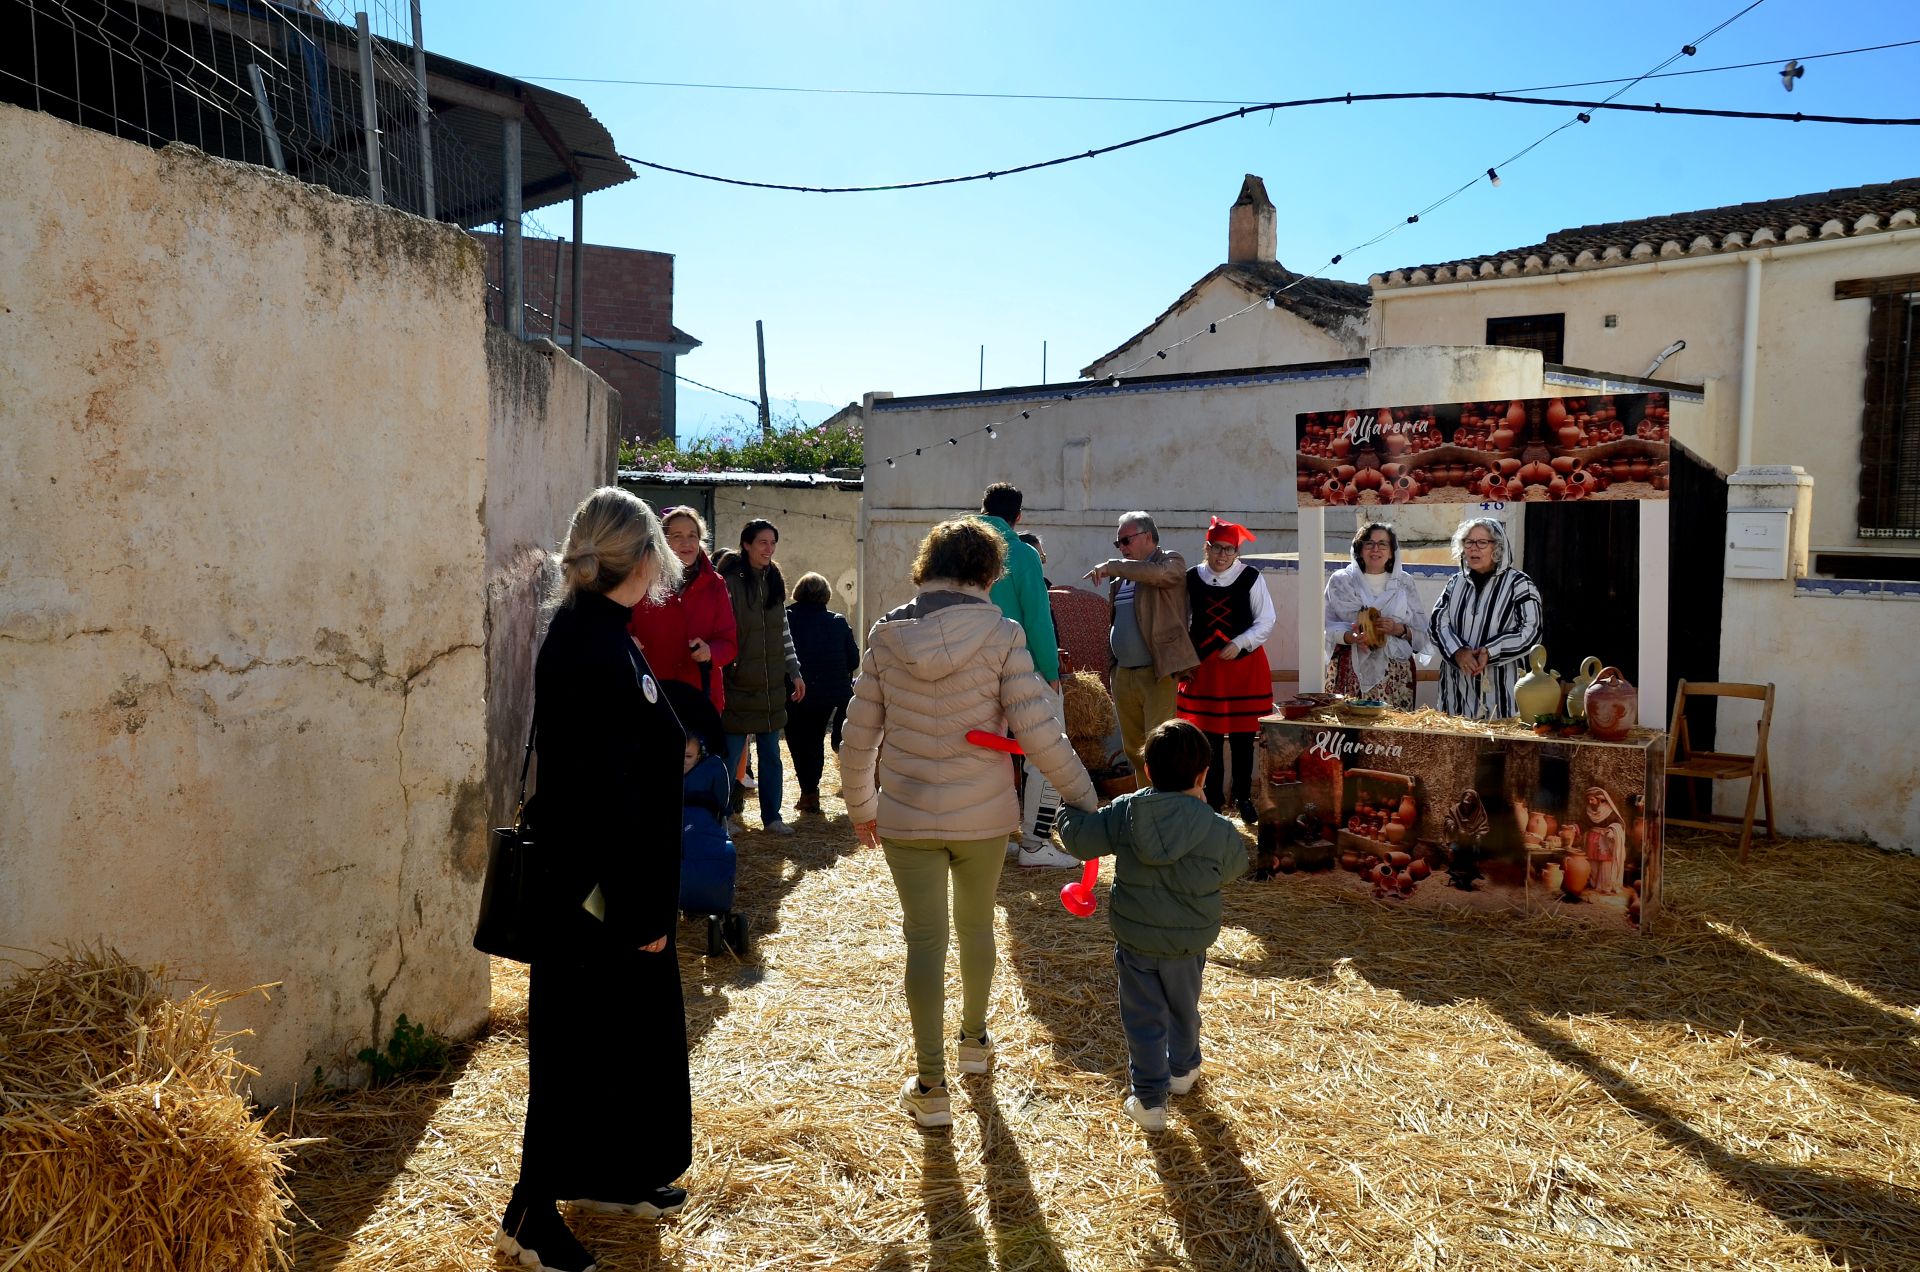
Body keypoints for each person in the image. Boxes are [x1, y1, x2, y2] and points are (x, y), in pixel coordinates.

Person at [841, 517, 1097, 1129]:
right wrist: (1087, 802)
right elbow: (1040, 733)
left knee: (924, 941)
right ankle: (975, 1045)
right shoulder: (1004, 635)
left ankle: (931, 1086)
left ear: (928, 566)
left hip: (905, 813)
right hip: (983, 814)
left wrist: (861, 807)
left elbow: (857, 737)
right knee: (976, 926)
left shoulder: (885, 635)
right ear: (989, 572)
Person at [496, 487, 690, 1272]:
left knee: (616, 1040)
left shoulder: (601, 630)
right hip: (592, 893)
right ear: (641, 557)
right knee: (574, 1055)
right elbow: (608, 796)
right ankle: (529, 1219)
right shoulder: (590, 642)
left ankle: (610, 1177)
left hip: (602, 885)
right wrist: (640, 905)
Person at [1055, 718, 1248, 1134]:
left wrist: (1066, 813)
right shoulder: (1216, 827)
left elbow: (1082, 841)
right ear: (1203, 775)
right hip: (1189, 944)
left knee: (1144, 1019)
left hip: (1137, 939)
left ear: (1146, 771)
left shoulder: (1128, 811)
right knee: (1183, 1007)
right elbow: (1235, 865)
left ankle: (1149, 1100)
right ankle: (1182, 1071)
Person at [1085, 511, 1199, 781]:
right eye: (1118, 544)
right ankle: (1144, 801)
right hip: (1124, 673)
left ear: (1148, 536)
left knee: (1158, 748)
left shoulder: (1171, 560)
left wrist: (1113, 565)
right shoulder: (1122, 574)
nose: (1122, 548)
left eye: (1125, 540)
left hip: (1156, 672)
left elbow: (1159, 575)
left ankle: (1164, 803)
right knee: (1134, 750)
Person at [1176, 517, 1276, 824]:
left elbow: (1266, 620)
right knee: (1209, 739)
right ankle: (1213, 801)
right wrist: (1183, 661)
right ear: (1206, 548)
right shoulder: (1191, 577)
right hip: (1206, 670)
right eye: (1218, 548)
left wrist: (1241, 642)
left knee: (1245, 738)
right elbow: (1181, 621)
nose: (1223, 555)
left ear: (1237, 552)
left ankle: (1244, 798)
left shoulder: (1250, 577)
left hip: (1244, 667)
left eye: (1230, 550)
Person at [718, 519, 806, 835]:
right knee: (729, 758)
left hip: (770, 687)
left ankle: (772, 817)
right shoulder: (729, 582)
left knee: (771, 757)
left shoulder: (775, 580)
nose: (768, 549)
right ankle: (723, 816)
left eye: (772, 543)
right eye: (762, 543)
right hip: (737, 683)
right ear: (746, 545)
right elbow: (721, 630)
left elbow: (783, 631)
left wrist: (794, 672)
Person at [1427, 517, 1544, 719]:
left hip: (1501, 696)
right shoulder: (1455, 583)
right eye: (1469, 542)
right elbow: (1437, 624)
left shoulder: (1519, 583)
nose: (1474, 549)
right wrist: (1458, 652)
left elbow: (1532, 631)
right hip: (1456, 695)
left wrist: (1490, 651)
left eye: (1482, 543)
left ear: (1496, 547)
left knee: (1496, 749)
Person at [629, 506, 738, 714]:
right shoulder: (642, 579)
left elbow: (729, 642)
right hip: (651, 695)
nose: (686, 543)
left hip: (699, 699)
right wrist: (628, 642)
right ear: (663, 541)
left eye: (692, 535)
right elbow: (621, 627)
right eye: (677, 536)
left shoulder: (715, 585)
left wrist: (710, 652)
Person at [1323, 521, 1431, 711]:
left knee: (1390, 736)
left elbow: (1422, 632)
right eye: (1369, 543)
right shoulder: (1342, 581)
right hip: (1351, 670)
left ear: (1391, 551)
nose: (1375, 549)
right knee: (1350, 736)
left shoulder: (1404, 583)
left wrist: (1398, 629)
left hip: (1395, 673)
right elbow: (1327, 625)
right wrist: (1351, 637)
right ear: (1359, 549)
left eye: (1383, 544)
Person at [784, 571, 860, 814]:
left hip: (795, 691)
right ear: (826, 594)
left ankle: (809, 792)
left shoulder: (787, 618)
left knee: (797, 741)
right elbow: (853, 660)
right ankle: (811, 792)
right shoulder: (837, 621)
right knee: (815, 739)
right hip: (830, 694)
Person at [978, 483, 1059, 686]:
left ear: (983, 510)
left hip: (966, 667)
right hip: (1015, 670)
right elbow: (1037, 619)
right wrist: (1051, 672)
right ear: (1018, 516)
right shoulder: (1023, 554)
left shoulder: (953, 549)